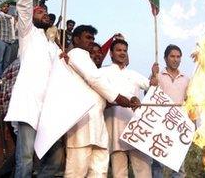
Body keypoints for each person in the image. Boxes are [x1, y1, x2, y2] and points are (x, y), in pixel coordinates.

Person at [3, 0, 63, 178]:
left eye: (46, 13)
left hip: (49, 108)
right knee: (26, 158)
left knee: (55, 158)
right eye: (40, 12)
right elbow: (25, 2)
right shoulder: (28, 34)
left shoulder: (54, 45)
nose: (44, 14)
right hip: (29, 106)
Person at [64, 25, 141, 178]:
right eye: (88, 38)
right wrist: (119, 98)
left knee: (99, 172)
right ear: (76, 39)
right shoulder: (76, 54)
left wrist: (126, 99)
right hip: (81, 125)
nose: (91, 42)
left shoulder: (90, 63)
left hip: (98, 125)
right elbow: (95, 79)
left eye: (93, 38)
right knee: (76, 172)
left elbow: (100, 87)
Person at [102, 39, 158, 178]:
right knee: (119, 173)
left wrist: (154, 75)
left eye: (125, 51)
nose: (122, 53)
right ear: (111, 53)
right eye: (118, 50)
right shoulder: (103, 72)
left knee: (144, 172)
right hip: (114, 129)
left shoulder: (133, 74)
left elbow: (150, 86)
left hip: (135, 130)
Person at [152, 44, 190, 178]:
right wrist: (153, 75)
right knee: (158, 164)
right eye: (172, 56)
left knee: (179, 165)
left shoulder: (186, 78)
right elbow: (149, 94)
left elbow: (189, 100)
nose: (175, 59)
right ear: (165, 58)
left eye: (178, 57)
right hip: (160, 123)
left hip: (179, 124)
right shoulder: (158, 76)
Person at [0, 2, 18, 83]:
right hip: (1, 39)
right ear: (0, 8)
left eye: (7, 7)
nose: (6, 8)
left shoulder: (11, 18)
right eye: (4, 6)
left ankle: (4, 78)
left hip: (9, 41)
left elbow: (14, 29)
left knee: (6, 61)